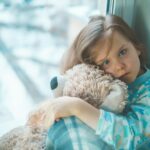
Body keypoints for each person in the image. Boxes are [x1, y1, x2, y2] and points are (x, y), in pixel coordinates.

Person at [30, 15, 150, 149]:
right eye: (106, 62)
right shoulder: (103, 86)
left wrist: (77, 107)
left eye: (122, 52)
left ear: (137, 47)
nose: (118, 66)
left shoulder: (147, 89)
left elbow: (131, 138)